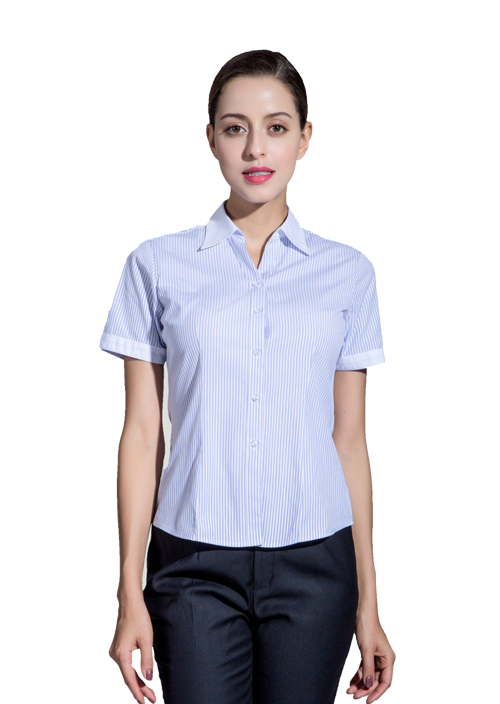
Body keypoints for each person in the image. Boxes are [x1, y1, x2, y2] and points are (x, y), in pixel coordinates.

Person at [100, 49, 396, 704]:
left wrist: (369, 601)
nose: (256, 148)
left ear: (305, 138)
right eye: (235, 128)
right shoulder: (156, 266)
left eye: (277, 127)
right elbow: (142, 435)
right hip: (192, 566)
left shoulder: (348, 274)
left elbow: (349, 443)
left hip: (317, 567)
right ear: (211, 138)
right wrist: (127, 590)